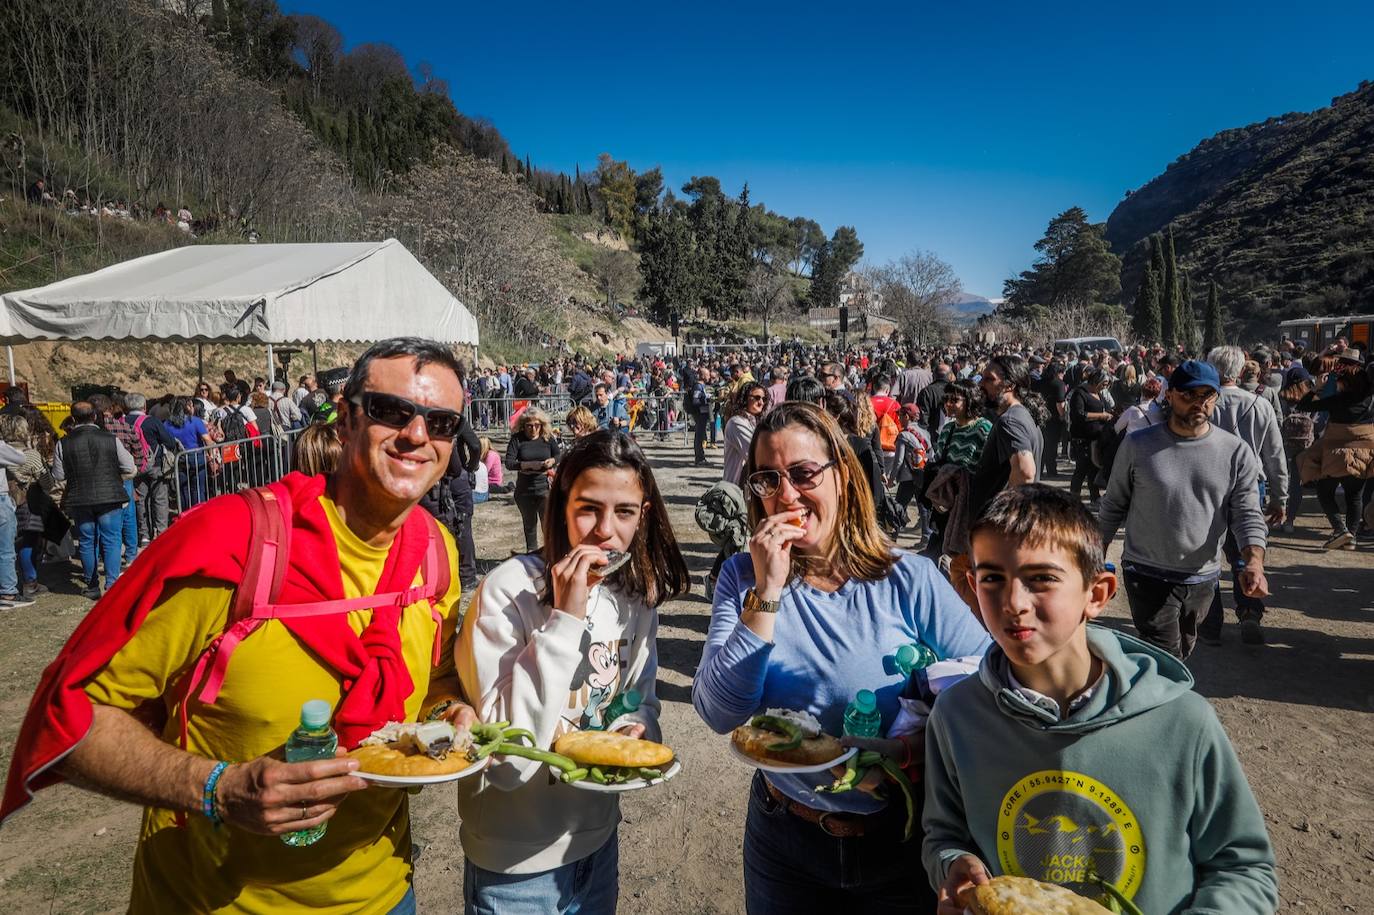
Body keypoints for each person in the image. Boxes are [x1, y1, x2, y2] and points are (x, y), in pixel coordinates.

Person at [2, 337, 473, 913]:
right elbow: (74, 719)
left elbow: (437, 678)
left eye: (441, 422)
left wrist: (450, 711)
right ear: (346, 420)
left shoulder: (435, 551)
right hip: (211, 901)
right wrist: (218, 789)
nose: (417, 435)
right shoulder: (232, 541)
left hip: (386, 896)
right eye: (390, 411)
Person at [693, 402, 990, 915]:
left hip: (898, 835)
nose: (786, 495)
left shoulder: (909, 579)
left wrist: (922, 747)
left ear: (842, 476)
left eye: (803, 473)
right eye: (767, 480)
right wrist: (767, 591)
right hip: (785, 834)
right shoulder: (743, 576)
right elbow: (720, 713)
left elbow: (988, 689)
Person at [924, 485, 1278, 913]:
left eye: (1041, 579)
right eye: (992, 578)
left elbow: (1243, 868)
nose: (1014, 603)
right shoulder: (957, 715)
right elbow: (943, 835)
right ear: (970, 587)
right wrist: (952, 865)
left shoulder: (1182, 721)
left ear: (1097, 594)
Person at [456, 431, 688, 913]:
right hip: (514, 868)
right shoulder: (508, 591)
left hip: (599, 844)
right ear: (561, 503)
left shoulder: (635, 596)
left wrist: (638, 726)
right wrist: (565, 618)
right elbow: (509, 762)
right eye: (588, 508)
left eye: (624, 511)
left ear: (643, 515)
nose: (605, 530)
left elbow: (639, 699)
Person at [1098, 360, 1270, 658]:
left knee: (1185, 646)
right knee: (1163, 653)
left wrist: (1253, 562)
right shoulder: (1138, 445)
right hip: (1146, 572)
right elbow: (1113, 503)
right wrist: (1094, 553)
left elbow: (1247, 513)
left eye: (1207, 395)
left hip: (1202, 577)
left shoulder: (1235, 451)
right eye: (1189, 395)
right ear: (1170, 395)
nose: (1198, 403)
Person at [1200, 346, 1288, 646]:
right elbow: (1275, 454)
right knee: (1244, 554)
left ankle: (1210, 624)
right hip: (1251, 486)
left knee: (1207, 556)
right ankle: (1250, 610)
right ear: (1240, 372)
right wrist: (1280, 497)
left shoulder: (1202, 403)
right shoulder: (1259, 404)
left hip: (1208, 485)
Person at [51, 402, 136, 598]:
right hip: (110, 496)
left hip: (80, 497)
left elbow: (58, 474)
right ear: (95, 417)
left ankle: (91, 585)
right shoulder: (110, 439)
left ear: (73, 419)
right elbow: (129, 466)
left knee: (87, 541)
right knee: (112, 539)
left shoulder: (63, 443)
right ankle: (112, 583)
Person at [1295, 349, 1374, 549]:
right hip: (1365, 452)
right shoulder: (1370, 400)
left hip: (1337, 454)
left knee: (1324, 490)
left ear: (1345, 382)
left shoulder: (1337, 400)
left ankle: (1340, 530)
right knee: (1354, 495)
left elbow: (1304, 406)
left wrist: (1316, 388)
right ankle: (1351, 539)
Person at [505, 407, 562, 553]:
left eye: (537, 425)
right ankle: (532, 554)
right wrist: (527, 465)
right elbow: (509, 462)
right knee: (529, 525)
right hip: (524, 489)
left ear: (542, 425)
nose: (533, 429)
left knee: (547, 525)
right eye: (529, 426)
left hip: (545, 488)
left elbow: (559, 455)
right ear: (523, 425)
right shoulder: (517, 439)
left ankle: (550, 554)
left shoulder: (548, 438)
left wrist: (552, 461)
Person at [126, 393, 178, 545]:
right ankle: (161, 532)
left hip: (133, 467)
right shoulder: (152, 421)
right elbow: (168, 441)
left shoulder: (121, 421)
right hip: (154, 464)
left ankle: (144, 534)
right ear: (144, 406)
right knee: (160, 499)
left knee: (140, 500)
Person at [1067, 367, 1111, 509]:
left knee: (1093, 469)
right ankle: (1073, 499)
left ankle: (1095, 497)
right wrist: (1101, 416)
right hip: (1082, 438)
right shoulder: (1080, 393)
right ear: (1096, 380)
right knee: (1081, 469)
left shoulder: (1099, 393)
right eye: (1103, 384)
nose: (1105, 387)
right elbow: (1079, 415)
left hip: (1096, 438)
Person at [163, 396, 213, 511]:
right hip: (197, 457)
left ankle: (186, 514)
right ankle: (199, 512)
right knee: (198, 488)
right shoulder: (195, 421)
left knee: (183, 489)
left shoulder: (167, 424)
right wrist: (211, 454)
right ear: (188, 407)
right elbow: (207, 440)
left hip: (179, 459)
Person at [723, 381, 769, 486]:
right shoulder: (737, 422)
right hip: (736, 486)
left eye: (764, 399)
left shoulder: (755, 422)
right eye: (757, 398)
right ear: (745, 399)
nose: (761, 402)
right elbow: (754, 452)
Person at [690, 367, 712, 466]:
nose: (709, 376)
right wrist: (706, 400)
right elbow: (695, 400)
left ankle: (701, 457)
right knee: (699, 436)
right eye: (707, 375)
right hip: (700, 414)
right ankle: (699, 458)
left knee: (701, 435)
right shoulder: (698, 387)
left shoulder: (702, 386)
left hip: (703, 414)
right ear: (702, 376)